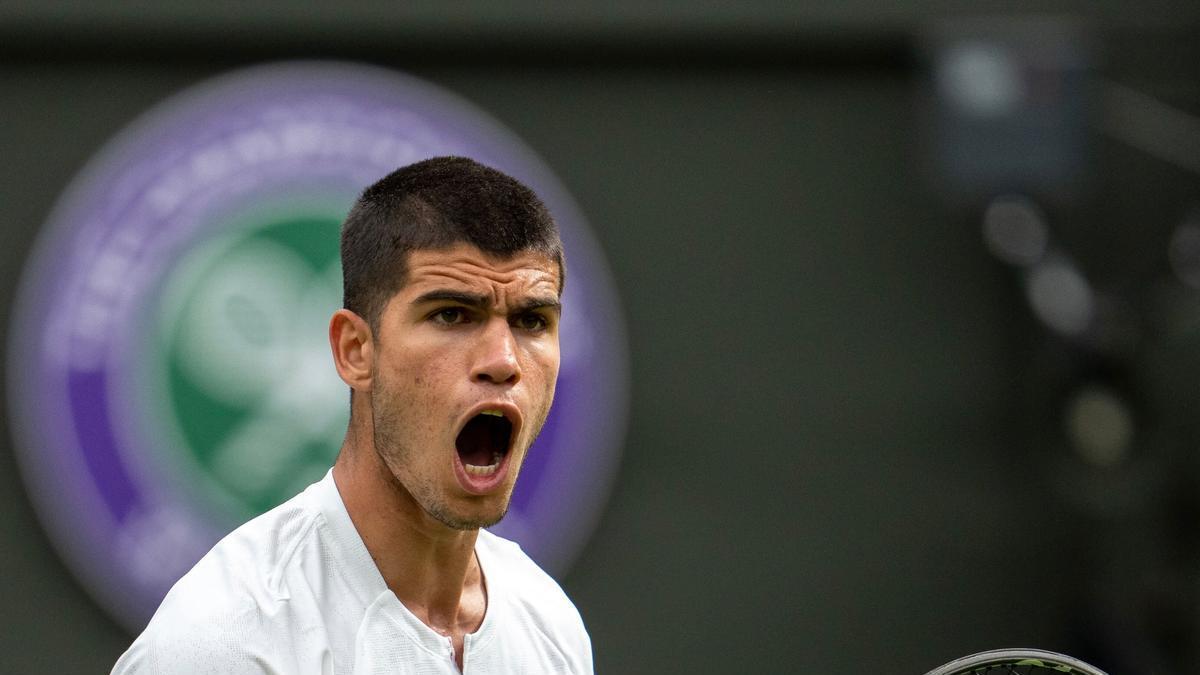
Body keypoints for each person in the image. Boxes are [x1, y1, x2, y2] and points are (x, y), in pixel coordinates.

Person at [112, 156, 593, 674]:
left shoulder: (550, 625)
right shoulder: (221, 645)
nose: (502, 361)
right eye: (451, 314)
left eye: (531, 320)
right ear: (355, 350)